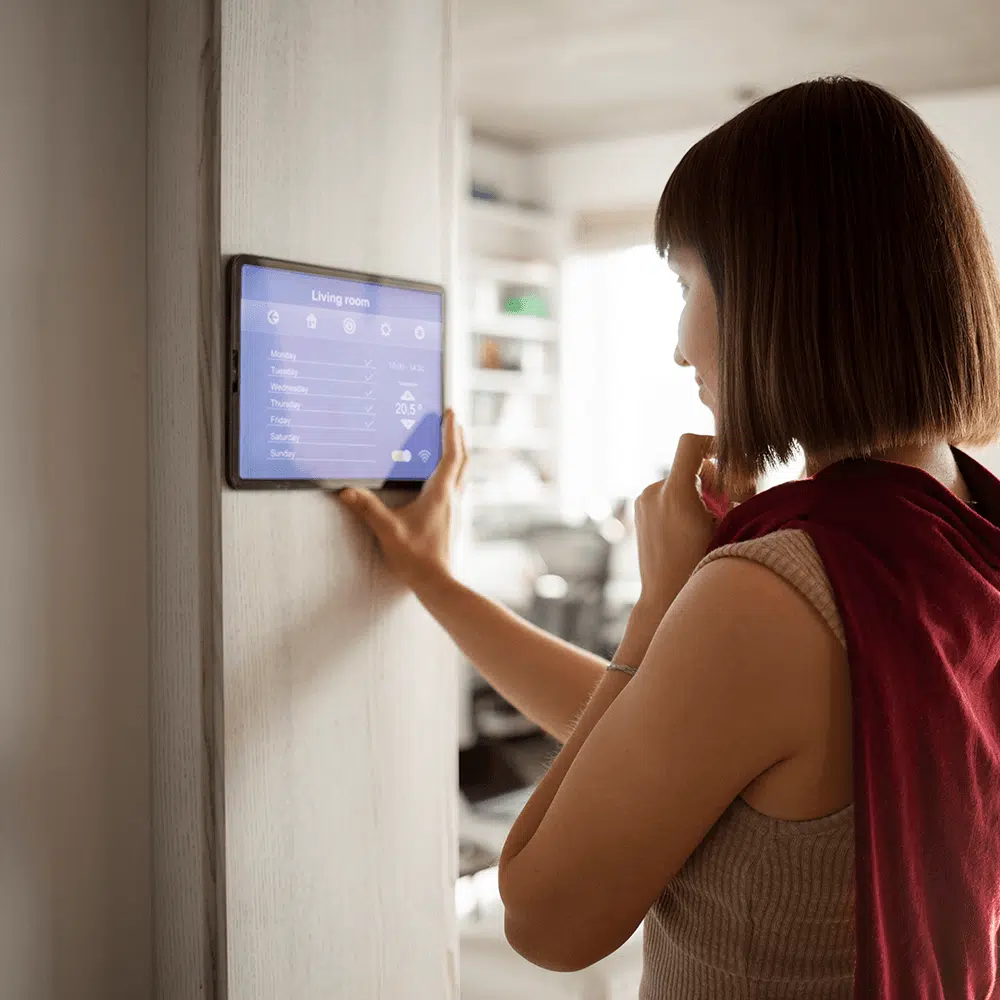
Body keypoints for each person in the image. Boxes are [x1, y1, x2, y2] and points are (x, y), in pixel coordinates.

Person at [338, 78, 1000, 999]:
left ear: (782, 295)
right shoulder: (958, 529)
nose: (680, 346)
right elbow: (662, 742)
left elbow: (543, 920)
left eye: (687, 285)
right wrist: (434, 581)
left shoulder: (775, 593)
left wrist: (662, 605)